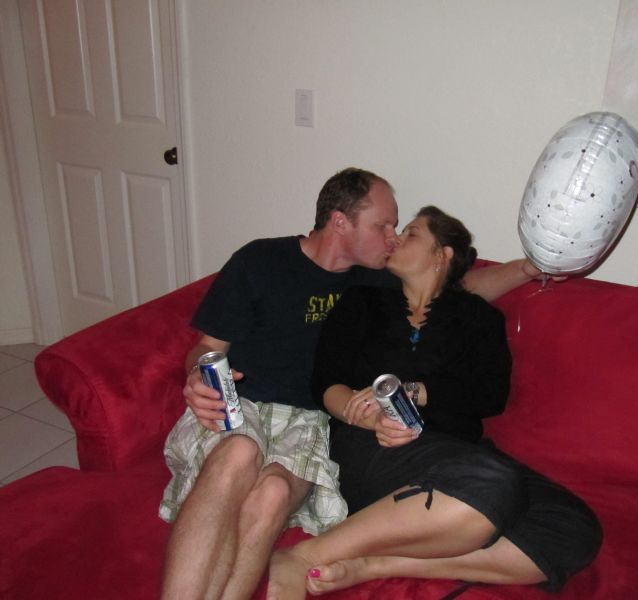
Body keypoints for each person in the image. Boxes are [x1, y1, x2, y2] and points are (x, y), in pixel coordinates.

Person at [158, 168, 548, 600]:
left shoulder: (374, 279)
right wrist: (198, 375)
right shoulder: (260, 260)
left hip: (309, 423)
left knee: (273, 493)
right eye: (384, 225)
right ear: (341, 222)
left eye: (398, 228)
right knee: (240, 452)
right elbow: (206, 347)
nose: (392, 238)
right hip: (241, 404)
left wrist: (526, 269)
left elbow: (454, 288)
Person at [267, 206, 602, 599]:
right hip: (370, 445)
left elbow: (489, 394)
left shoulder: (480, 318)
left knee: (572, 526)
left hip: (457, 452)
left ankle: (376, 564)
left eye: (410, 233)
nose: (395, 239)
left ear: (442, 255)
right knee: (490, 485)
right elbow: (326, 382)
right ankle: (304, 557)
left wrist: (414, 391)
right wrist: (367, 418)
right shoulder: (362, 301)